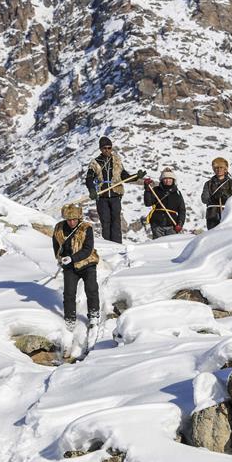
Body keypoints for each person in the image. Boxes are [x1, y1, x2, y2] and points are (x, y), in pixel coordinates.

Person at [84, 136, 145, 243]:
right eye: (104, 148)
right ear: (100, 149)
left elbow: (124, 176)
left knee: (116, 221)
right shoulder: (95, 163)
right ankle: (108, 244)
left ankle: (117, 244)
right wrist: (92, 190)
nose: (107, 150)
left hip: (115, 195)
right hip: (102, 196)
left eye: (109, 148)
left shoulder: (117, 161)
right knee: (105, 221)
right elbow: (89, 178)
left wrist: (136, 176)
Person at [53, 203, 100, 331]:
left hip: (87, 263)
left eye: (74, 219)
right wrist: (60, 258)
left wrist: (72, 258)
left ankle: (94, 314)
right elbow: (56, 246)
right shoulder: (59, 228)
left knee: (91, 288)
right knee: (69, 292)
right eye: (69, 220)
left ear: (79, 218)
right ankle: (69, 318)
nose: (72, 222)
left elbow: (88, 249)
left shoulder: (86, 228)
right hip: (69, 266)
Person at [143, 167, 187, 239]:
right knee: (158, 244)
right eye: (165, 178)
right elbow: (148, 203)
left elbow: (182, 210)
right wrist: (147, 189)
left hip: (172, 225)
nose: (167, 180)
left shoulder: (177, 193)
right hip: (157, 224)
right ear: (162, 180)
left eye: (170, 178)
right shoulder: (156, 190)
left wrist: (180, 224)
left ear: (173, 180)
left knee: (171, 244)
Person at [201, 157, 232, 230]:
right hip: (212, 215)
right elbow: (204, 199)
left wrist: (226, 196)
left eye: (221, 167)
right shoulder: (208, 184)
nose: (219, 169)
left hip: (228, 214)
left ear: (225, 169)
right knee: (212, 235)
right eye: (216, 168)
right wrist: (214, 198)